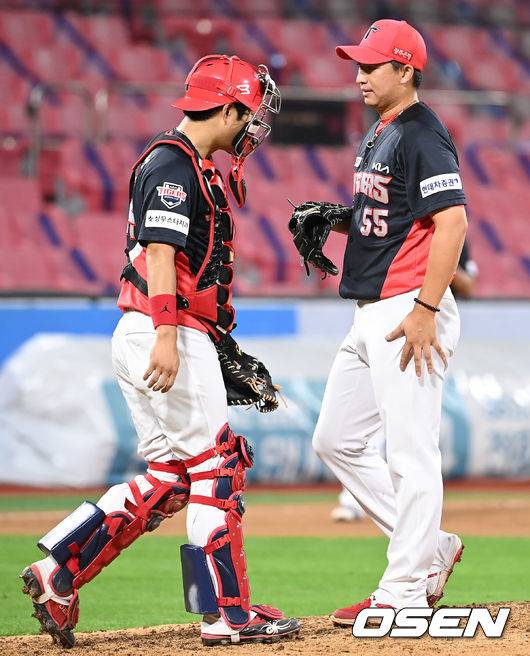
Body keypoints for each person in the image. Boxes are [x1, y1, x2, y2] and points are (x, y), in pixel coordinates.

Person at [20, 54, 300, 647]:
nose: (254, 127)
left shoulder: (183, 162)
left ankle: (59, 571)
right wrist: (171, 336)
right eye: (250, 114)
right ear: (226, 108)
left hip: (145, 329)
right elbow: (161, 255)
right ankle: (225, 615)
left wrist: (211, 343)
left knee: (171, 478)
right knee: (217, 468)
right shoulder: (174, 163)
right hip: (160, 328)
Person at [290, 20, 467, 624]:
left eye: (372, 65)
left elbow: (453, 222)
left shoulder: (421, 133)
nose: (360, 74)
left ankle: (404, 590)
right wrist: (336, 218)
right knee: (334, 439)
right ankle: (431, 549)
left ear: (406, 70)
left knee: (410, 453)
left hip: (408, 309)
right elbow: (389, 216)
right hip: (371, 311)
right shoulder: (380, 131)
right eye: (358, 64)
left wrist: (426, 308)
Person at [330, 239, 478, 522]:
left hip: (426, 319)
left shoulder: (448, 229)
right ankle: (422, 536)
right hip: (390, 313)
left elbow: (468, 285)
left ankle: (419, 536)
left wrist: (437, 256)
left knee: (407, 439)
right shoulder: (404, 223)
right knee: (345, 437)